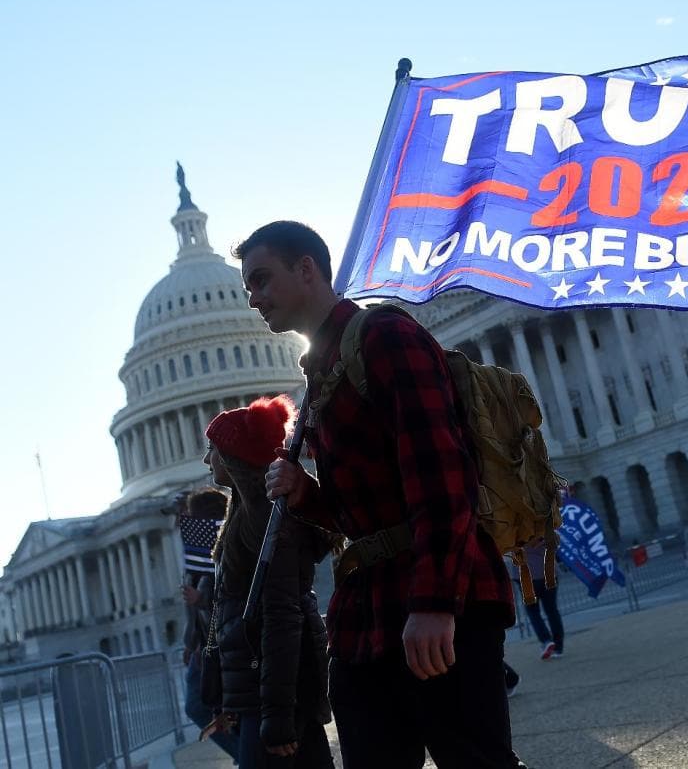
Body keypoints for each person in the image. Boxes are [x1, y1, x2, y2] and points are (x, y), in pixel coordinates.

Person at [239, 221, 523, 769]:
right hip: (365, 610)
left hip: (435, 594)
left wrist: (435, 603)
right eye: (250, 288)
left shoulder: (385, 337)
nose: (254, 298)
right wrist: (307, 495)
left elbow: (442, 472)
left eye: (262, 280)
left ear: (307, 269)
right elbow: (361, 513)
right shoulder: (320, 372)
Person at [204, 395, 336, 768]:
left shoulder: (264, 523)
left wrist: (276, 715)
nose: (205, 460)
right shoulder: (248, 518)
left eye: (211, 450)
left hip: (276, 694)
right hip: (266, 691)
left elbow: (280, 617)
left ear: (234, 456)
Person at [179, 488, 239, 762]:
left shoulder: (218, 552)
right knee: (206, 708)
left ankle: (245, 756)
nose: (186, 521)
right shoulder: (197, 557)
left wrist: (200, 599)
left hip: (217, 646)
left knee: (203, 707)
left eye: (191, 516)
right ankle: (245, 755)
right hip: (203, 646)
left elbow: (227, 596)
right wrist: (190, 644)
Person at [519, 538, 565, 660]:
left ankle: (545, 639)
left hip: (527, 574)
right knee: (552, 611)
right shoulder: (545, 521)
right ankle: (558, 647)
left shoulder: (514, 526)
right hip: (549, 570)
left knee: (533, 611)